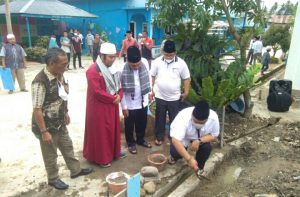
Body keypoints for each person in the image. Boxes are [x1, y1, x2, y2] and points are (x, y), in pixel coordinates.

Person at [31, 48, 93, 190]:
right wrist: (44, 131)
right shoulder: (40, 82)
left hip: (59, 122)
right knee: (50, 154)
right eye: (63, 64)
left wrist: (65, 112)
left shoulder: (59, 74)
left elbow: (62, 95)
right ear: (52, 63)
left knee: (67, 146)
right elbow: (37, 109)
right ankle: (53, 179)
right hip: (46, 126)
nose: (66, 66)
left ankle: (75, 170)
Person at [84, 42, 125, 167]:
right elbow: (97, 91)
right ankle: (102, 158)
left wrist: (119, 95)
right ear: (102, 56)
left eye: (114, 56)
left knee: (112, 129)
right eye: (110, 57)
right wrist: (113, 98)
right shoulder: (92, 70)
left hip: (112, 104)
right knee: (101, 132)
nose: (113, 60)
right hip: (99, 107)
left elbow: (119, 85)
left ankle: (114, 152)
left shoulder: (112, 69)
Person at [150, 40, 191, 146]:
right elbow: (152, 76)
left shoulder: (181, 63)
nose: (168, 56)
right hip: (160, 95)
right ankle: (159, 137)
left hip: (174, 97)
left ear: (175, 52)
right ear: (163, 52)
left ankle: (173, 137)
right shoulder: (157, 62)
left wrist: (186, 92)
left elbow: (186, 78)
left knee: (174, 118)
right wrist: (152, 90)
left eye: (171, 54)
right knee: (160, 117)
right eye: (167, 54)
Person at [168, 100, 219, 176]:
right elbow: (175, 140)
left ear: (207, 119)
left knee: (207, 148)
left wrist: (199, 141)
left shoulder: (213, 118)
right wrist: (189, 159)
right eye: (195, 121)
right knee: (176, 152)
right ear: (192, 115)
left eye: (201, 123)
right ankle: (173, 157)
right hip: (184, 137)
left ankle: (199, 168)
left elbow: (214, 135)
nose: (198, 124)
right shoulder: (183, 117)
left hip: (200, 137)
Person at [121, 46, 152, 154]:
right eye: (133, 65)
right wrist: (124, 107)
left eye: (138, 64)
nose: (136, 67)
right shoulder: (122, 70)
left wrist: (150, 91)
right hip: (130, 103)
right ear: (127, 60)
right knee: (129, 125)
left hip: (142, 100)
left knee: (142, 122)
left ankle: (140, 139)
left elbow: (148, 77)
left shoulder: (144, 62)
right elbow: (121, 91)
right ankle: (130, 143)